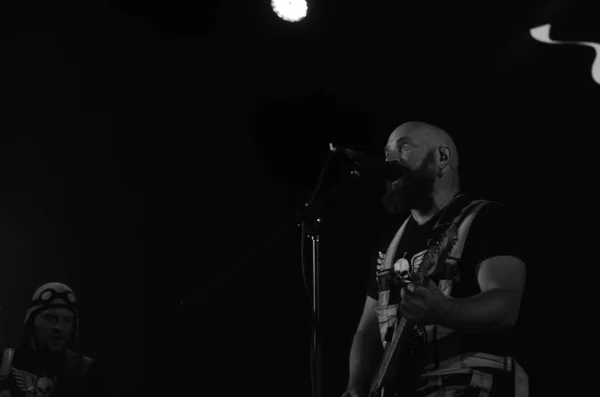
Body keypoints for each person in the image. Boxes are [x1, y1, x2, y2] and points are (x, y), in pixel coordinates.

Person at [341, 121, 528, 397]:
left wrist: (445, 310)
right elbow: (367, 332)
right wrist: (355, 387)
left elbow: (505, 305)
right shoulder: (388, 246)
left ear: (442, 157)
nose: (390, 159)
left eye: (403, 147)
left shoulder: (486, 219)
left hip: (469, 383)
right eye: (386, 152)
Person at [0, 282, 105, 397]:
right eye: (49, 317)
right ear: (31, 320)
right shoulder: (4, 364)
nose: (58, 327)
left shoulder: (87, 373)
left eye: (67, 320)